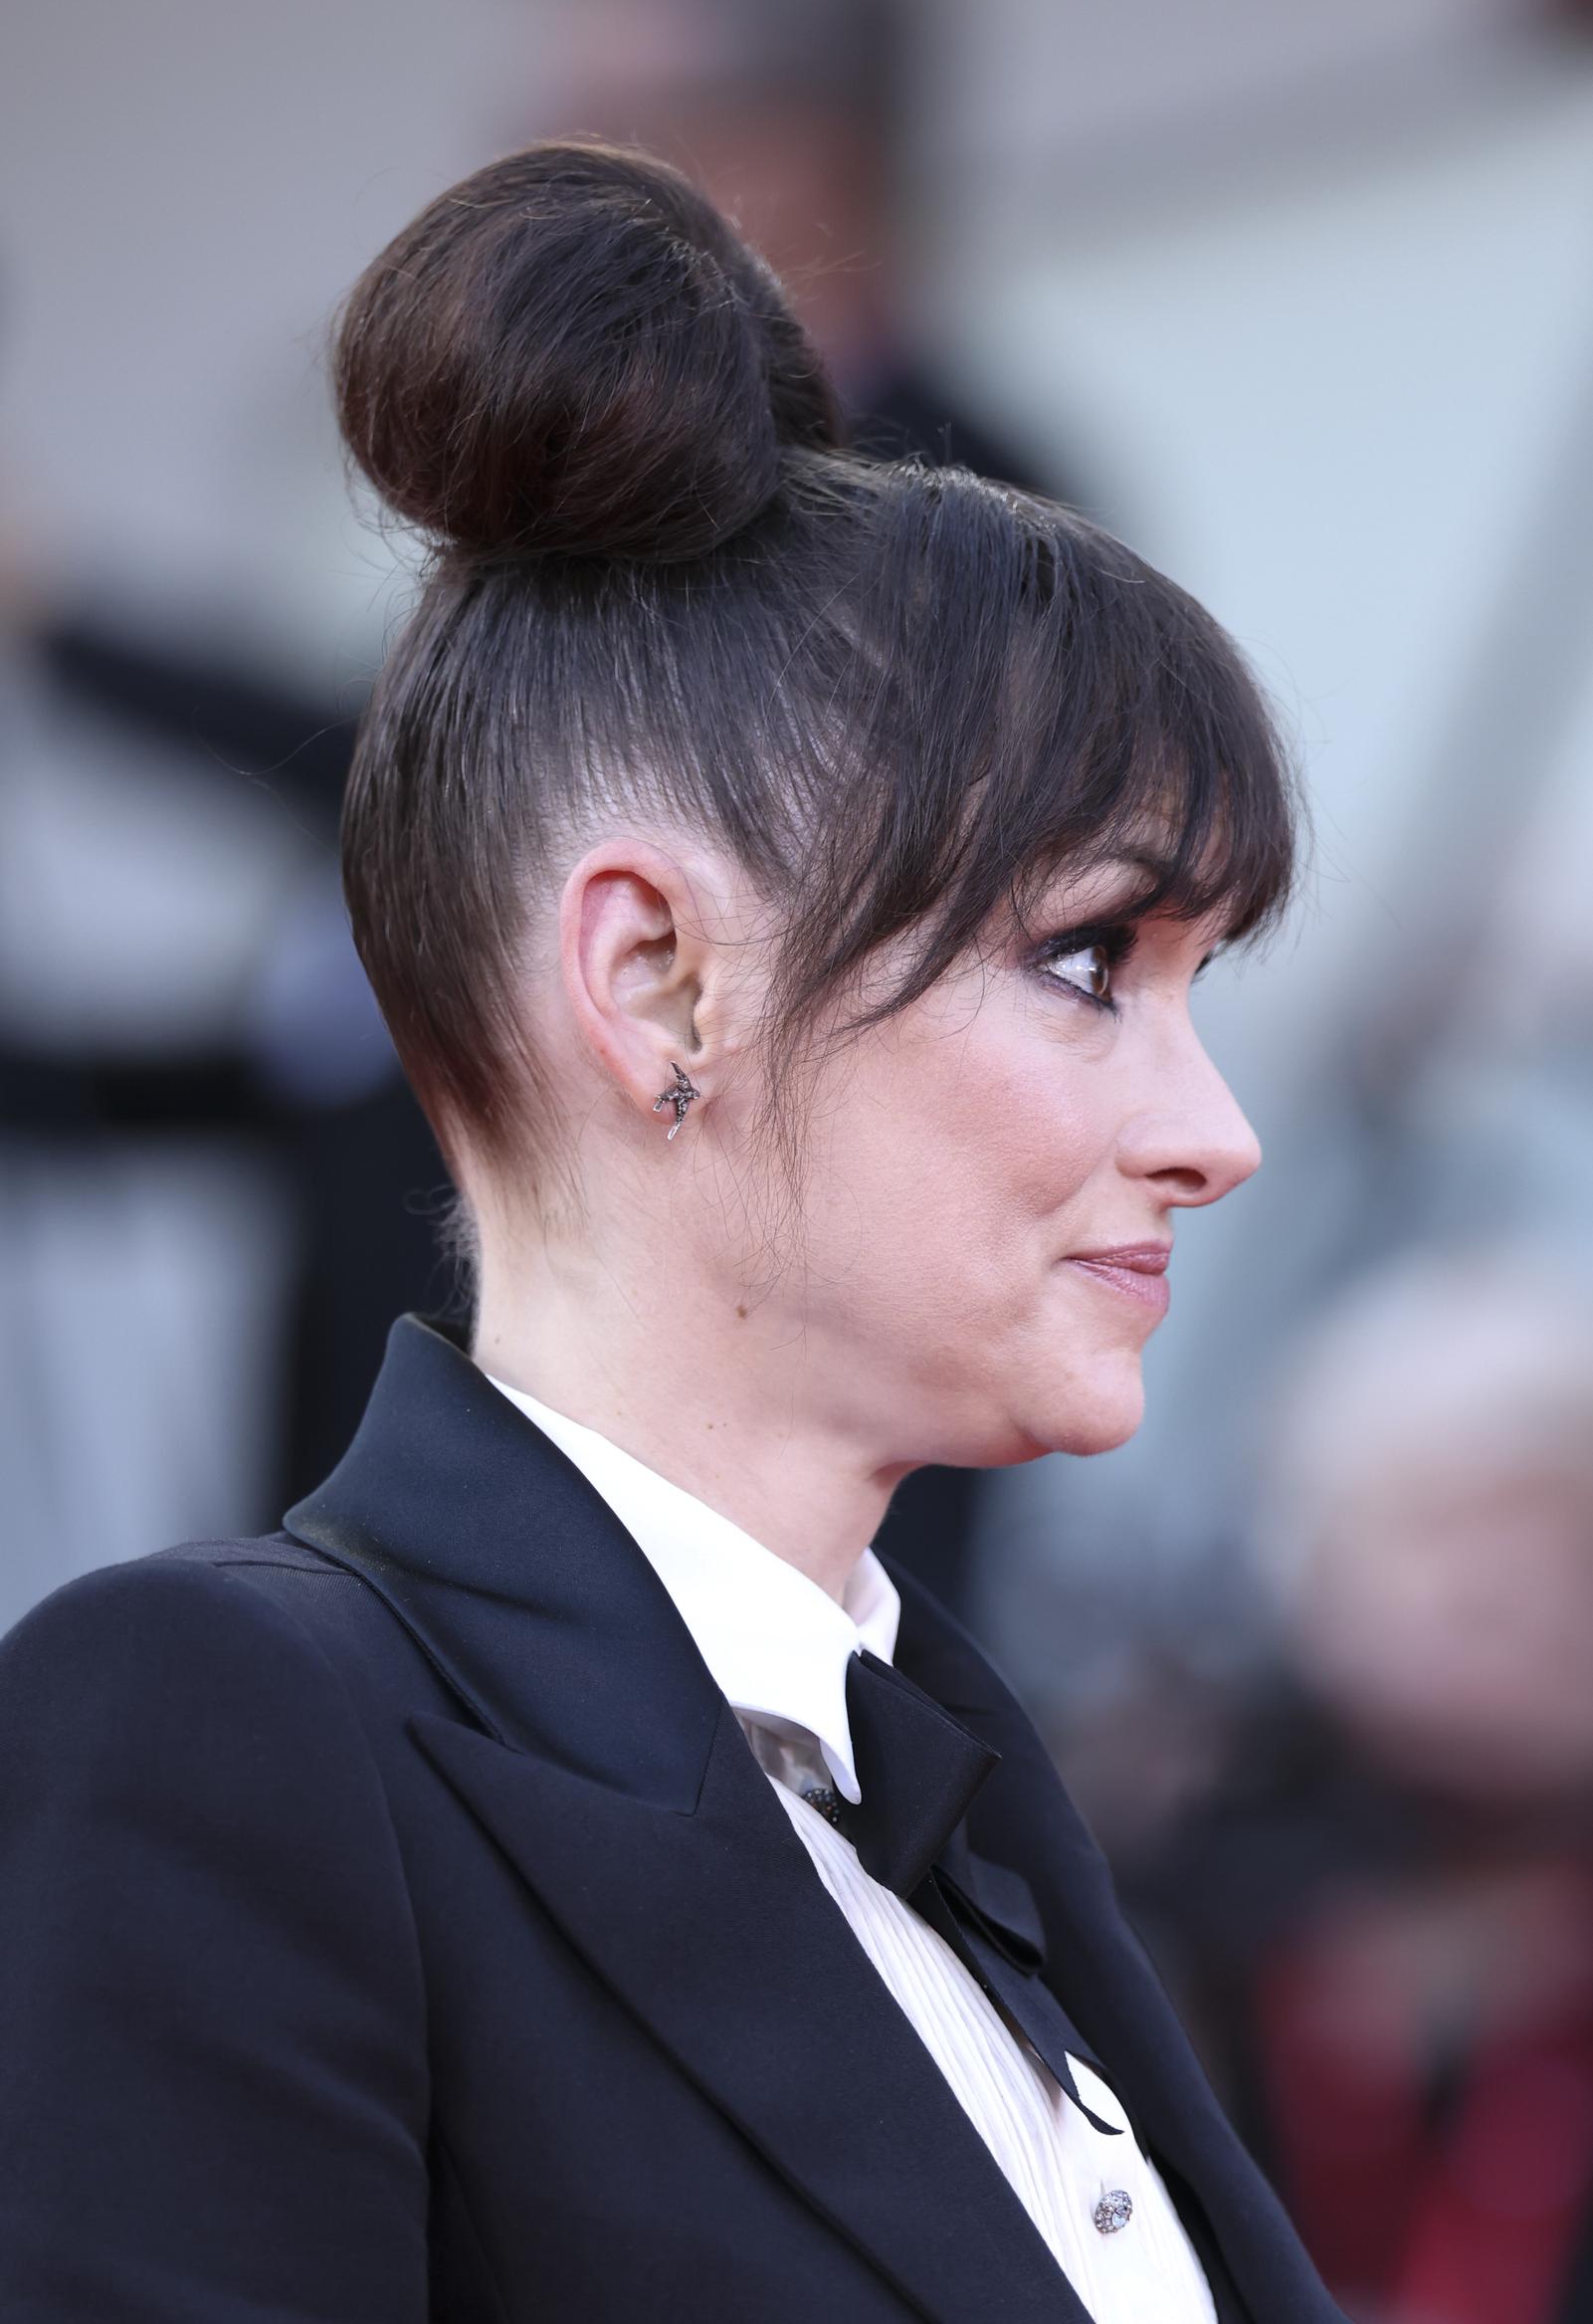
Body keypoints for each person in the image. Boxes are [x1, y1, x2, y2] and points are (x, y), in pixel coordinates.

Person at [0, 140, 1340, 2323]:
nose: (1219, 1135)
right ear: (656, 984)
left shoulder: (973, 1793)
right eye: (1095, 961)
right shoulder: (222, 1730)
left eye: (1206, 991)